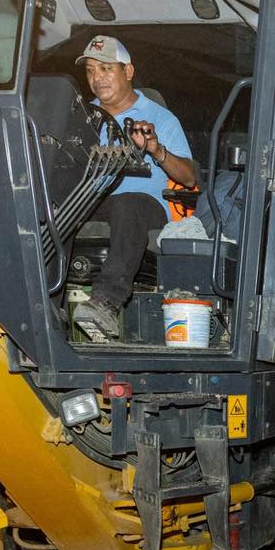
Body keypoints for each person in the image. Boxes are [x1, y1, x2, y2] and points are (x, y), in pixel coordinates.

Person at [71, 35, 196, 343]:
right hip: (93, 202)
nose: (96, 79)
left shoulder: (159, 118)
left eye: (105, 69)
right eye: (90, 71)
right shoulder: (80, 117)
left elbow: (191, 178)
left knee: (129, 202)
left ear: (127, 72)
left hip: (145, 208)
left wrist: (156, 150)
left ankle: (106, 302)